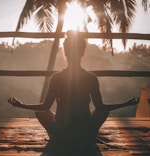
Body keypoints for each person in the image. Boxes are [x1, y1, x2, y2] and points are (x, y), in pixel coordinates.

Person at [8, 31, 139, 145]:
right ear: (82, 52)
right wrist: (126, 103)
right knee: (102, 111)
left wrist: (22, 105)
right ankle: (89, 134)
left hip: (62, 134)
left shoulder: (57, 77)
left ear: (65, 52)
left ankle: (55, 136)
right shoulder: (91, 77)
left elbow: (45, 107)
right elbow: (101, 107)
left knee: (40, 111)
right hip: (85, 133)